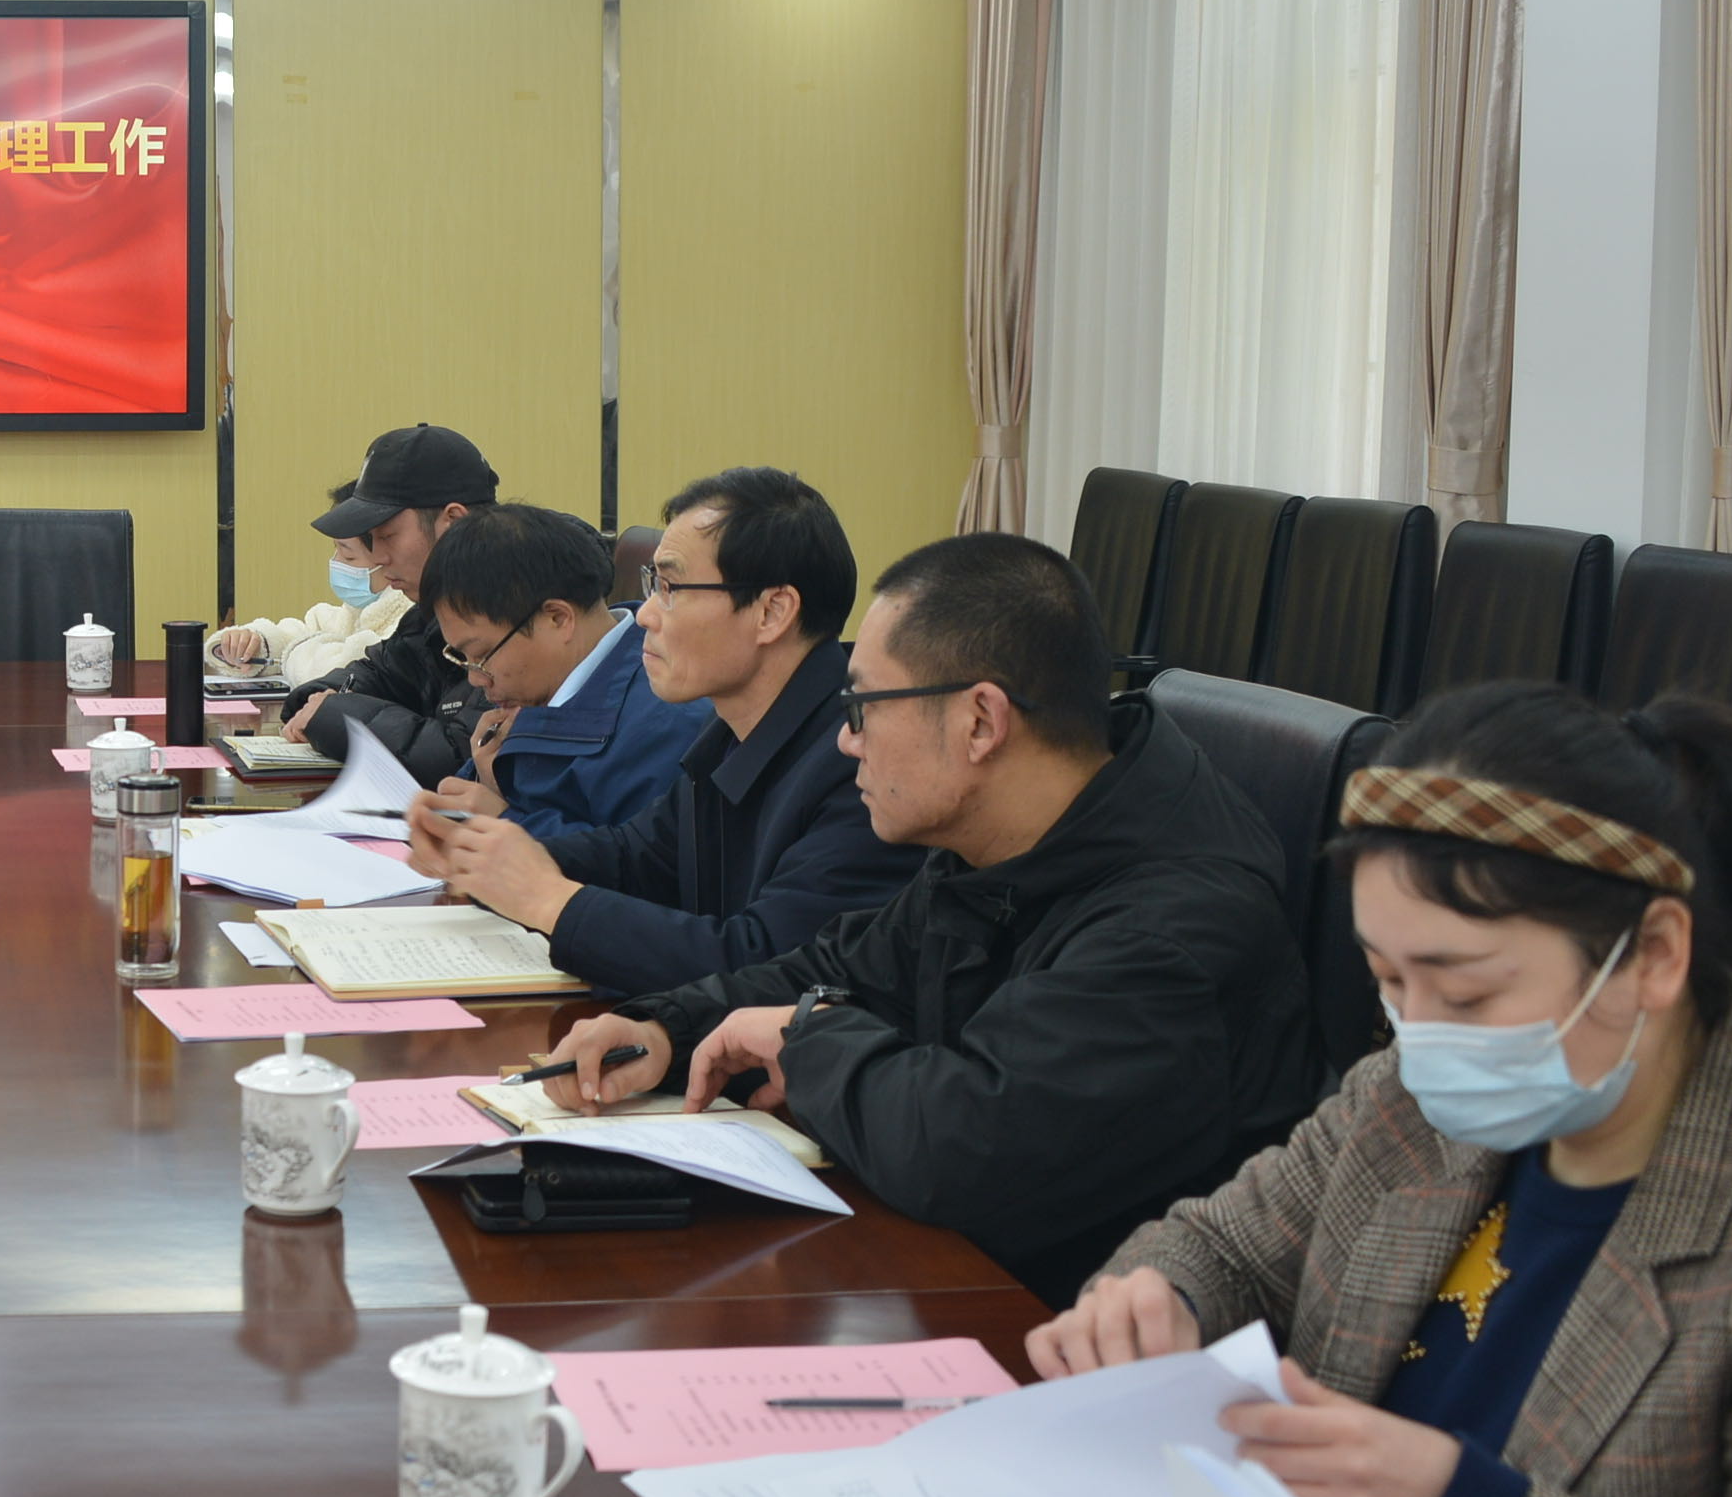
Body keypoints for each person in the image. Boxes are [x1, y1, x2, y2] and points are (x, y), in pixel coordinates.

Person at [1030, 684, 1732, 1497]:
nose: (1417, 1036)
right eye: (1387, 981)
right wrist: (1153, 1298)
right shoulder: (1410, 1100)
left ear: (1653, 955)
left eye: (1467, 992)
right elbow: (1221, 1245)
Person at [530, 531, 1313, 1303]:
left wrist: (807, 1037)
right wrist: (667, 1030)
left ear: (980, 722)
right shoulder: (1005, 835)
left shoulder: (1174, 925)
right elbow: (843, 965)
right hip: (950, 1277)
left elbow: (964, 1149)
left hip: (1060, 1329)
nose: (845, 741)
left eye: (862, 707)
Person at [414, 466, 920, 992]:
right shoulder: (732, 733)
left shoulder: (862, 760)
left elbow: (769, 965)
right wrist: (488, 851)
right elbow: (640, 857)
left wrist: (549, 899)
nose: (645, 615)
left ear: (772, 612)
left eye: (672, 587)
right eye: (653, 584)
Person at [401, 502, 705, 841]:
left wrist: (507, 822)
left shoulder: (665, 721)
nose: (475, 678)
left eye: (483, 654)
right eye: (462, 657)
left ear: (558, 618)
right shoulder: (540, 688)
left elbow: (641, 863)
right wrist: (485, 783)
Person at [278, 423, 500, 786]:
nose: (378, 557)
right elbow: (384, 671)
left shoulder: (515, 604)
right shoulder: (436, 607)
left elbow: (466, 756)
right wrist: (317, 699)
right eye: (371, 540)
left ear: (453, 521)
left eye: (388, 536)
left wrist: (334, 714)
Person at [209, 479, 413, 691]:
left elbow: (342, 671)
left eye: (348, 556)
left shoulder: (409, 623)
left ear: (388, 554)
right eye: (336, 549)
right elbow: (309, 629)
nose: (336, 562)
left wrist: (292, 653)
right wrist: (255, 643)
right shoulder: (358, 612)